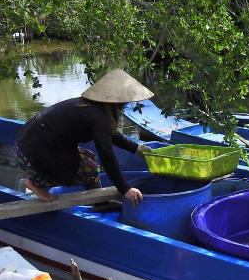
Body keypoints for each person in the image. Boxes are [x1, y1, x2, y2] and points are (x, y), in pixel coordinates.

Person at [15, 69, 154, 205]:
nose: (123, 110)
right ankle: (36, 183)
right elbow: (107, 155)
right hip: (32, 153)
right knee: (90, 168)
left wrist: (136, 148)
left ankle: (100, 203)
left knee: (90, 159)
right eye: (121, 106)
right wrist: (125, 188)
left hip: (27, 144)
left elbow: (110, 134)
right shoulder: (98, 117)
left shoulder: (90, 107)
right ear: (112, 104)